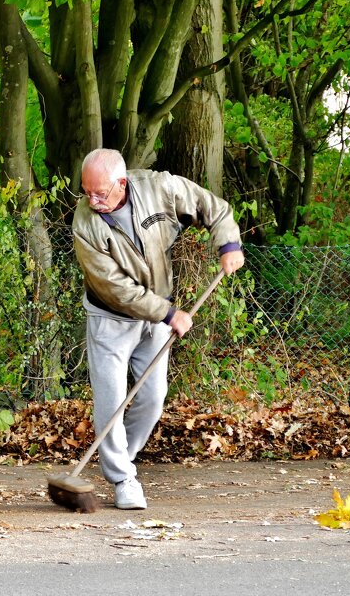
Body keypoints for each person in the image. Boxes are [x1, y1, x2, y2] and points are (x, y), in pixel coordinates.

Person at [72, 148, 245, 509]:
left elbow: (212, 207)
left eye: (100, 192)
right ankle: (122, 479)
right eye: (87, 191)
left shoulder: (159, 188)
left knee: (152, 400)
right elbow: (115, 289)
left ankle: (121, 460)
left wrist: (228, 243)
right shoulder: (85, 223)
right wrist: (168, 314)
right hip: (111, 319)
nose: (92, 199)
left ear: (122, 182)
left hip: (157, 316)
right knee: (111, 403)